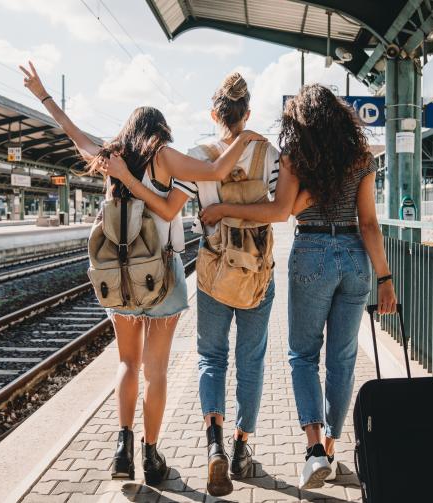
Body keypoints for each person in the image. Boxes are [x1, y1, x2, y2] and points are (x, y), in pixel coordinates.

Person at [20, 61, 263, 485]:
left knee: (127, 363)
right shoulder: (164, 156)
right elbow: (215, 172)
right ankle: (152, 458)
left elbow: (72, 132)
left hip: (119, 278)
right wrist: (242, 135)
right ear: (159, 131)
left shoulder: (112, 158)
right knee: (156, 371)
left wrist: (43, 95)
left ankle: (122, 448)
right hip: (162, 275)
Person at [200, 84, 398, 490]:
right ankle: (330, 448)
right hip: (355, 258)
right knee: (342, 360)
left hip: (311, 254)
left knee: (303, 357)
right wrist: (385, 279)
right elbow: (370, 225)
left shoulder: (296, 158)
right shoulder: (361, 159)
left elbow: (278, 211)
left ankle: (313, 452)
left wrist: (222, 209)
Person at [103, 72, 279, 497]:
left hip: (209, 272)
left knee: (210, 360)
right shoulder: (269, 153)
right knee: (249, 361)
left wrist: (214, 209)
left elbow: (173, 205)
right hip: (256, 273)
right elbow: (279, 210)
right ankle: (239, 449)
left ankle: (208, 444)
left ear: (213, 113)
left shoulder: (194, 155)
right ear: (247, 112)